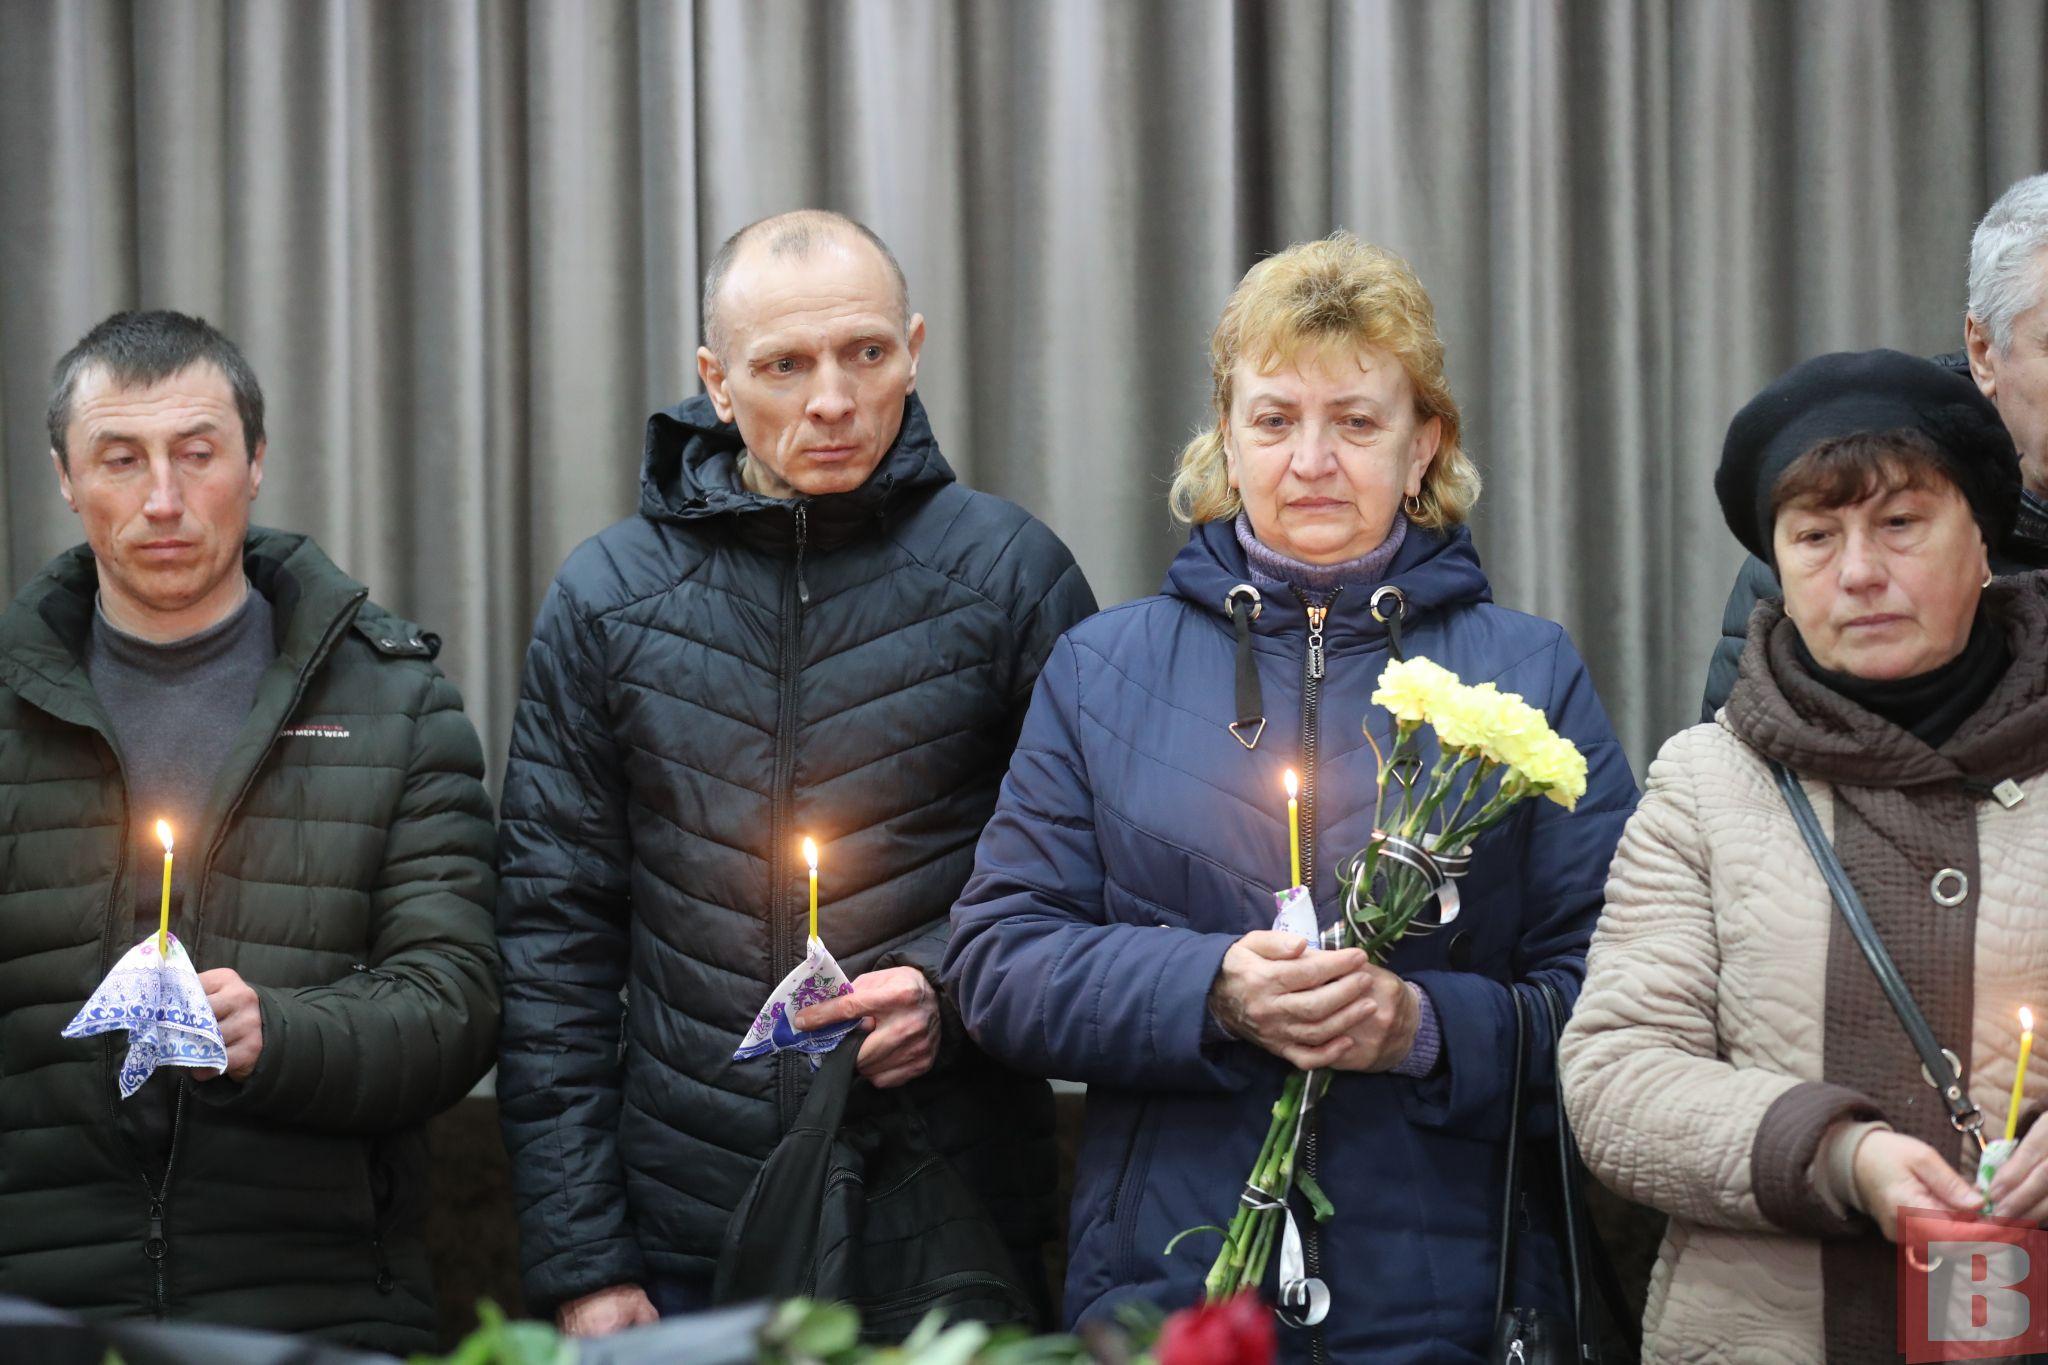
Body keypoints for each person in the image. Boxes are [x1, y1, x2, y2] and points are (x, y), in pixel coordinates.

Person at [943, 233, 1638, 1361]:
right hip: (1167, 1297)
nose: (1311, 459)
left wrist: (1420, 1029)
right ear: (1225, 437)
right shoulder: (1100, 669)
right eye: (1273, 420)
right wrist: (1210, 988)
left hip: (1448, 1296)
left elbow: (1616, 998)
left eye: (1356, 423)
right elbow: (998, 965)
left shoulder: (1528, 672)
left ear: (1425, 445)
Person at [496, 210, 1096, 1335]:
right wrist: (584, 1259)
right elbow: (550, 941)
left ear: (913, 348)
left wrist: (949, 996)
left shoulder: (1014, 575)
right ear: (717, 383)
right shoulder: (606, 597)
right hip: (685, 1231)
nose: (831, 399)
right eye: (784, 365)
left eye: (865, 353)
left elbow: (1084, 883)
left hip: (943, 1211)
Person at [0, 311, 500, 1351]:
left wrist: (282, 1033)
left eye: (198, 454)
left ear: (257, 460)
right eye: (121, 460)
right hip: (42, 1305)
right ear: (63, 476)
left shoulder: (396, 706)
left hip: (316, 1304)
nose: (164, 500)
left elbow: (458, 1001)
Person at [1561, 349, 2048, 1361]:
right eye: (1815, 535)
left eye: (1900, 524)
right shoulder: (1704, 784)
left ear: (1982, 536)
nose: (1858, 572)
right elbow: (1614, 1078)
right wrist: (1838, 1154)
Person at [1700, 172, 2048, 717]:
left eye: (1900, 525)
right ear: (1984, 351)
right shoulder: (1832, 514)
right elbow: (1747, 773)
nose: (1860, 571)